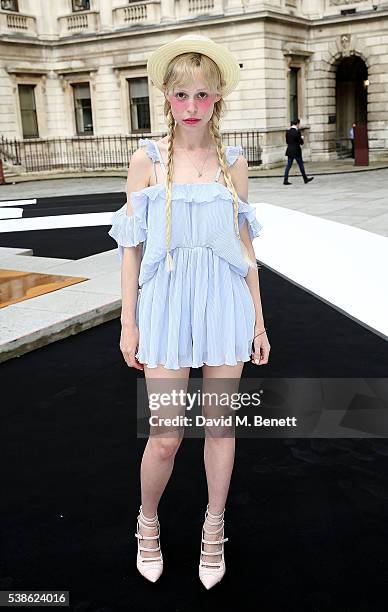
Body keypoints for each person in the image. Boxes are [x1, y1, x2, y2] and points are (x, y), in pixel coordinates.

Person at [108, 33, 271, 590]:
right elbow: (131, 248)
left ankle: (213, 530)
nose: (192, 106)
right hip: (167, 306)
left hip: (224, 304)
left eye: (203, 95)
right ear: (167, 98)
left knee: (220, 429)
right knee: (167, 435)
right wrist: (128, 320)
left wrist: (259, 318)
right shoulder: (146, 160)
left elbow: (246, 250)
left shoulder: (234, 163)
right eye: (182, 96)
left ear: (218, 98)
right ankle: (147, 522)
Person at [283, 118, 314, 185]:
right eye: (298, 124)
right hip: (296, 151)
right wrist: (302, 138)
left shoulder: (287, 132)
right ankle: (305, 179)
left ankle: (285, 180)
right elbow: (301, 143)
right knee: (301, 165)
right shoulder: (297, 132)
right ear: (297, 124)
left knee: (288, 166)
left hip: (289, 150)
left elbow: (287, 142)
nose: (299, 125)